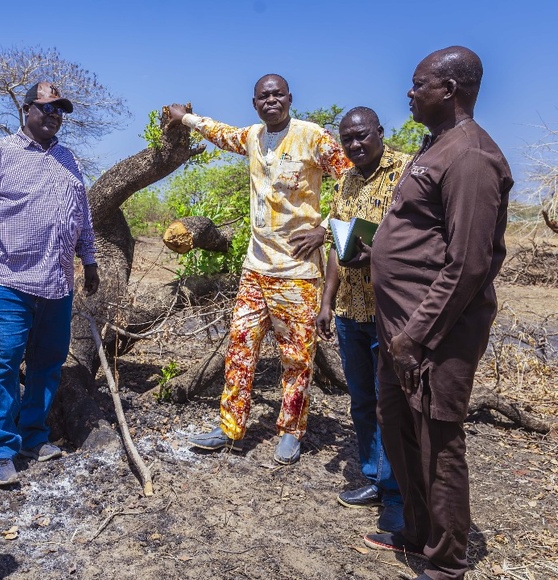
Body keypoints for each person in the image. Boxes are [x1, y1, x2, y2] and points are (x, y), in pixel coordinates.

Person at [364, 47, 512, 580]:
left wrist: (416, 336)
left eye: (418, 83)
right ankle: (417, 531)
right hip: (399, 327)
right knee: (399, 427)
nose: (409, 92)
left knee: (438, 440)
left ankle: (447, 561)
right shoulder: (436, 145)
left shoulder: (471, 156)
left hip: (435, 334)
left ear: (449, 89)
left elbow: (469, 263)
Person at [169, 74, 352, 464]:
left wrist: (325, 229)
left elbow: (351, 179)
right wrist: (185, 118)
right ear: (254, 104)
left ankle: (291, 431)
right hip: (256, 270)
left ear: (289, 98)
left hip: (298, 274)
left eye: (277, 94)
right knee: (239, 349)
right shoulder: (253, 137)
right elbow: (220, 133)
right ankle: (230, 428)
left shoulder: (313, 136)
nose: (271, 100)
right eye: (263, 96)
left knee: (297, 359)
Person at [0, 81, 100, 486]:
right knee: (1, 364)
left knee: (47, 363)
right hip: (8, 279)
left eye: (60, 110)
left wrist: (89, 259)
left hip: (57, 282)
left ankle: (33, 437)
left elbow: (81, 214)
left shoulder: (68, 159)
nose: (54, 116)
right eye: (47, 108)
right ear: (27, 110)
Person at [315, 107, 409, 534]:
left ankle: (398, 494)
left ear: (379, 132)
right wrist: (326, 303)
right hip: (351, 311)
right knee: (362, 400)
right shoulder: (345, 180)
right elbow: (338, 245)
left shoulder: (406, 172)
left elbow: (420, 238)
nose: (354, 145)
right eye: (347, 139)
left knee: (392, 405)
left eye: (361, 136)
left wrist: (380, 257)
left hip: (390, 311)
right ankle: (375, 476)